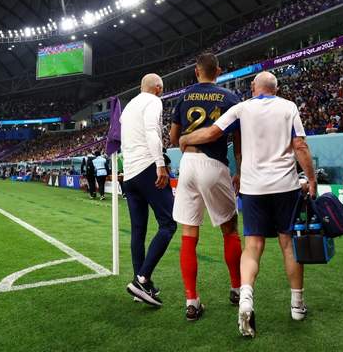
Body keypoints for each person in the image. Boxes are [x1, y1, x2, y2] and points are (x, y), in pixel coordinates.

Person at [179, 71, 317, 338]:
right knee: (288, 245)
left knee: (253, 246)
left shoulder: (242, 108)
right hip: (285, 186)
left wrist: (186, 139)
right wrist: (311, 179)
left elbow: (212, 133)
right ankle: (297, 305)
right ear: (276, 88)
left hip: (253, 188)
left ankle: (245, 300)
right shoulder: (289, 107)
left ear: (254, 86)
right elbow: (300, 145)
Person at [169, 53, 243, 321]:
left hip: (188, 164)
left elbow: (174, 138)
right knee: (229, 228)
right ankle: (236, 289)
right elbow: (239, 140)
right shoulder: (230, 98)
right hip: (214, 165)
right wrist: (240, 171)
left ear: (196, 72)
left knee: (189, 233)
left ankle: (191, 301)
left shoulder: (184, 96)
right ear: (218, 71)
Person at [121, 73, 177, 306]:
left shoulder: (128, 107)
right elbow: (152, 132)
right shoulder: (153, 101)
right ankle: (142, 279)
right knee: (169, 223)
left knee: (138, 231)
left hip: (129, 173)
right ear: (158, 88)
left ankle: (139, 286)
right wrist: (160, 164)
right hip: (147, 167)